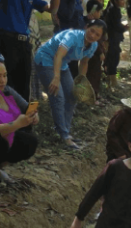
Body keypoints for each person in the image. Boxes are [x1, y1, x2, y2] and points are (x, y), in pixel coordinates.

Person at [34, 19, 105, 149]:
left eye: (97, 35)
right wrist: (56, 77)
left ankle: (63, 131)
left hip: (62, 65)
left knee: (72, 95)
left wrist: (81, 82)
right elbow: (58, 55)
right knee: (58, 96)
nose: (92, 35)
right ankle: (64, 136)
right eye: (91, 31)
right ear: (86, 27)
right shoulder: (72, 36)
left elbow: (84, 63)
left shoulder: (93, 45)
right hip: (46, 59)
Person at [0, 0, 53, 102]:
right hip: (7, 41)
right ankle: (8, 115)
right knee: (7, 81)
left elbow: (52, 9)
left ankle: (24, 114)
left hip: (25, 43)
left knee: (24, 82)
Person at [0, 56, 39, 183]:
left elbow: (27, 107)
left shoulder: (7, 91)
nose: (2, 80)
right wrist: (15, 124)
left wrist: (33, 115)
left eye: (5, 75)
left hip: (8, 138)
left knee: (30, 141)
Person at [102, 0, 128, 87]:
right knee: (113, 59)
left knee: (110, 59)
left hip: (111, 38)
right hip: (113, 38)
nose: (123, 1)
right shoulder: (114, 10)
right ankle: (113, 81)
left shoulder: (111, 8)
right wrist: (124, 28)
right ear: (116, 0)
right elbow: (116, 26)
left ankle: (109, 79)